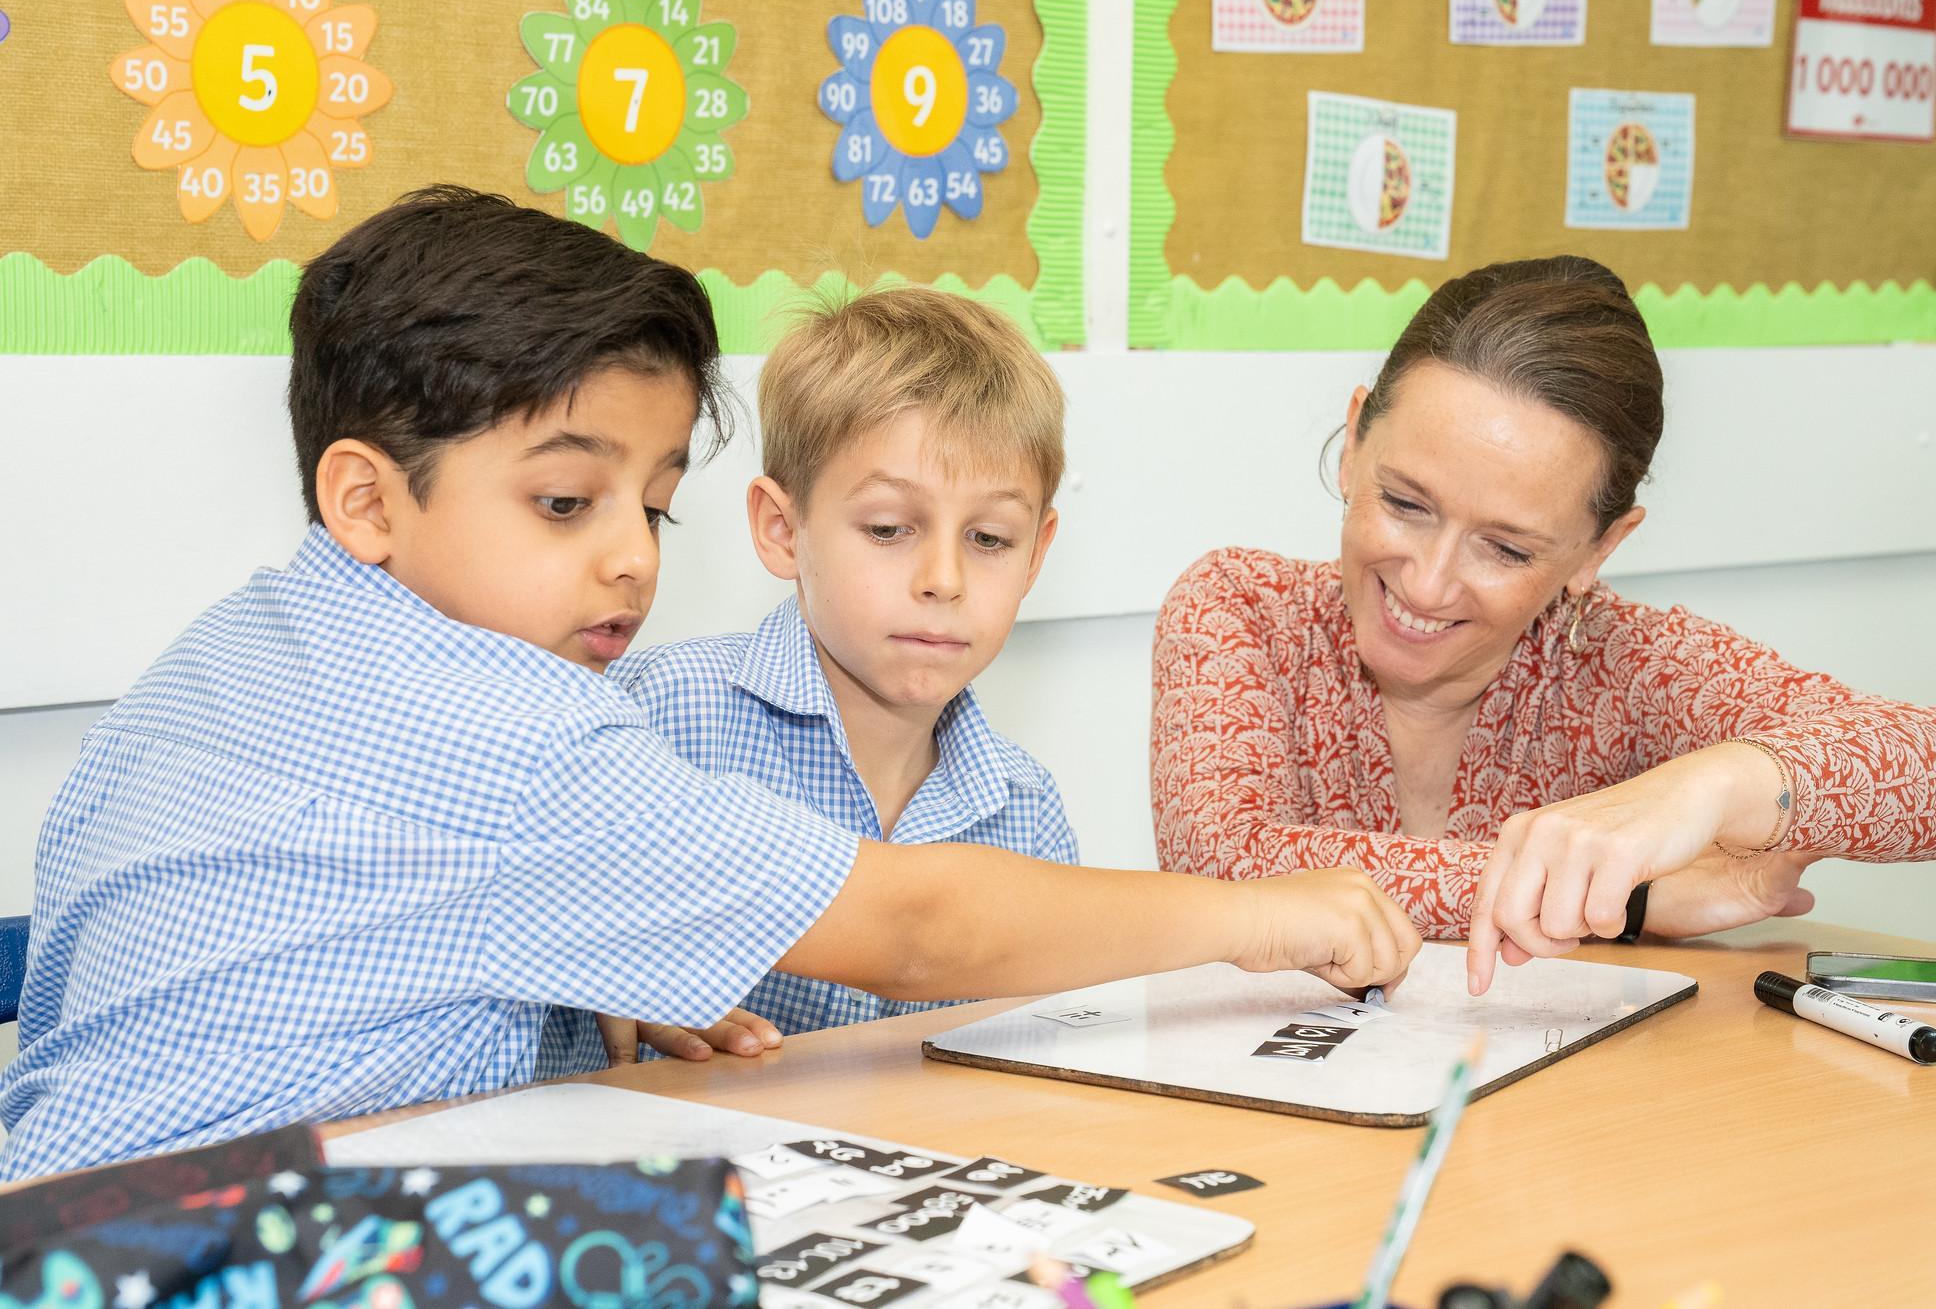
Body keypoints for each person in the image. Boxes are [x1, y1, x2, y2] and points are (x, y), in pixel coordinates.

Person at [0, 188, 1420, 1180]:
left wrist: (593, 980)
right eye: (566, 504)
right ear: (368, 501)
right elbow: (917, 928)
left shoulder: (220, 663)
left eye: (655, 505)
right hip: (224, 1247)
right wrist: (1260, 913)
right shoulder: (517, 730)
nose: (631, 557)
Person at [1148, 255, 1936, 995]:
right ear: (1352, 444)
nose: (1430, 580)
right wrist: (1628, 899)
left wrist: (1707, 788)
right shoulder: (1242, 607)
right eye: (1405, 502)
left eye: (1506, 548)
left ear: (1601, 547)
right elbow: (1226, 868)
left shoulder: (1623, 658)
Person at [603, 286, 1076, 1056]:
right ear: (782, 529)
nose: (944, 579)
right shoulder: (656, 717)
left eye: (990, 538)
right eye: (888, 528)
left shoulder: (1028, 812)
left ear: (1036, 555)